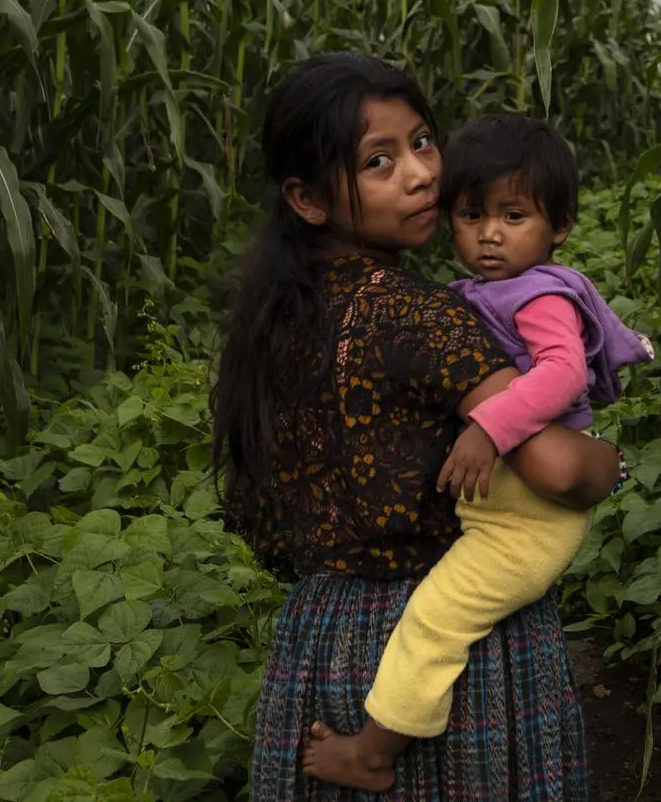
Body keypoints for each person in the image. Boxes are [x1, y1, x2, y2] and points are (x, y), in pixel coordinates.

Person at [216, 53, 623, 800]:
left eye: (423, 142)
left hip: (322, 639)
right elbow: (559, 470)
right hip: (458, 661)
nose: (421, 173)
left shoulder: (277, 317)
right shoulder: (420, 313)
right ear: (307, 198)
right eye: (380, 161)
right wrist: (612, 461)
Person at [302, 115, 652, 792]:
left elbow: (562, 374)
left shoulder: (542, 292)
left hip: (530, 518)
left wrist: (490, 427)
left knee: (435, 620)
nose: (489, 233)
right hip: (515, 505)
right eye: (470, 214)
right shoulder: (478, 293)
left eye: (513, 215)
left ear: (561, 225)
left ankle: (373, 755)